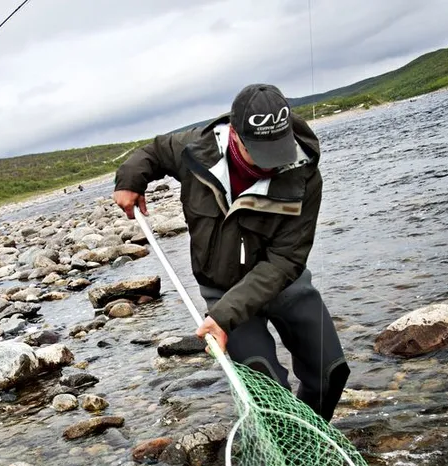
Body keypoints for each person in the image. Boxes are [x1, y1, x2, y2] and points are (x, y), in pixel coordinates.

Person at [113, 84, 349, 421]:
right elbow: (153, 152)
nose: (272, 165)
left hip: (284, 283)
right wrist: (129, 179)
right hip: (223, 292)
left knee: (332, 371)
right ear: (234, 134)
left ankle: (311, 436)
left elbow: (286, 260)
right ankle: (285, 453)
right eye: (261, 154)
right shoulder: (195, 149)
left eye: (278, 150)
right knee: (269, 390)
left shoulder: (305, 174)